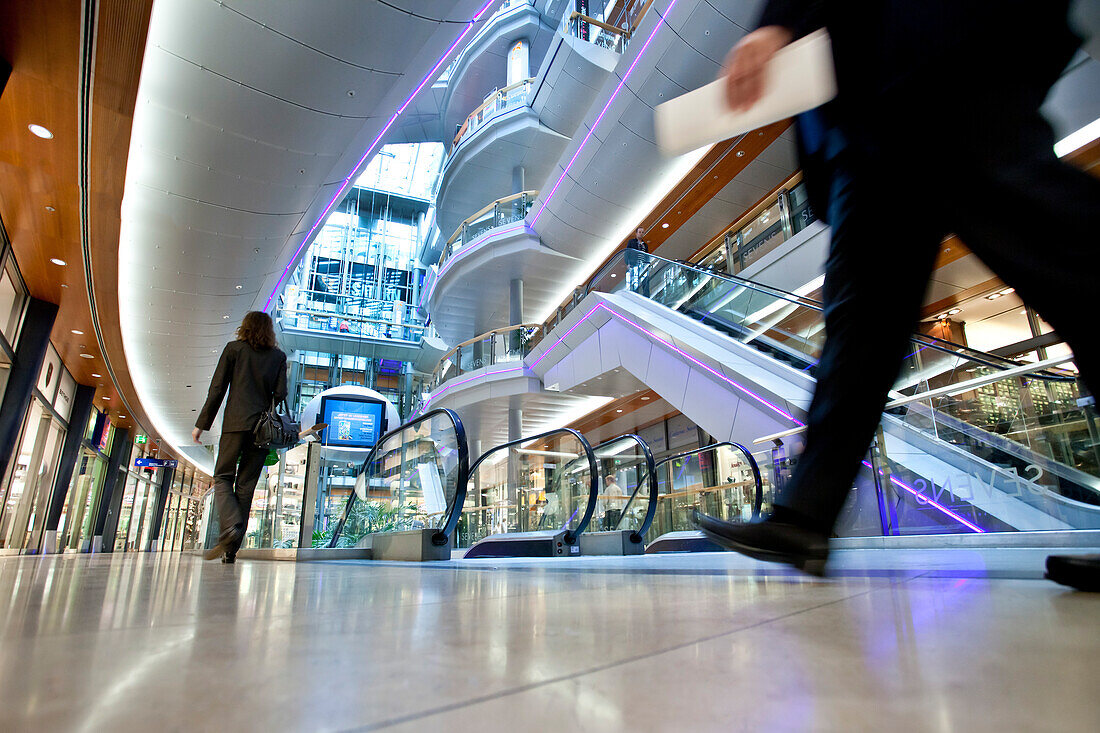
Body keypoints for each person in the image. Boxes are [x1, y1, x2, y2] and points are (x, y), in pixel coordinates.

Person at [693, 1, 1100, 586]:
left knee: (1063, 250)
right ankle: (805, 514)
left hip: (943, 58)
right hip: (874, 108)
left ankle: (805, 514)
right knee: (861, 322)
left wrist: (779, 21)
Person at [192, 311, 288, 563]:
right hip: (261, 430)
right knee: (245, 488)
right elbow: (280, 394)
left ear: (244, 327)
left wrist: (202, 424)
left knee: (223, 476)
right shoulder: (278, 357)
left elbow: (218, 388)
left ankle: (231, 524)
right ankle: (231, 550)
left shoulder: (234, 350)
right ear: (269, 331)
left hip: (235, 424)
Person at [624, 227, 650, 297]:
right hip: (634, 265)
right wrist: (628, 263)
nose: (641, 234)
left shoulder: (645, 245)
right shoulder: (631, 242)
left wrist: (648, 265)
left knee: (645, 281)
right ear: (636, 233)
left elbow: (647, 255)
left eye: (642, 232)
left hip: (643, 266)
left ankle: (646, 297)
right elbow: (627, 253)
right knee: (635, 281)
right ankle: (635, 295)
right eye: (639, 232)